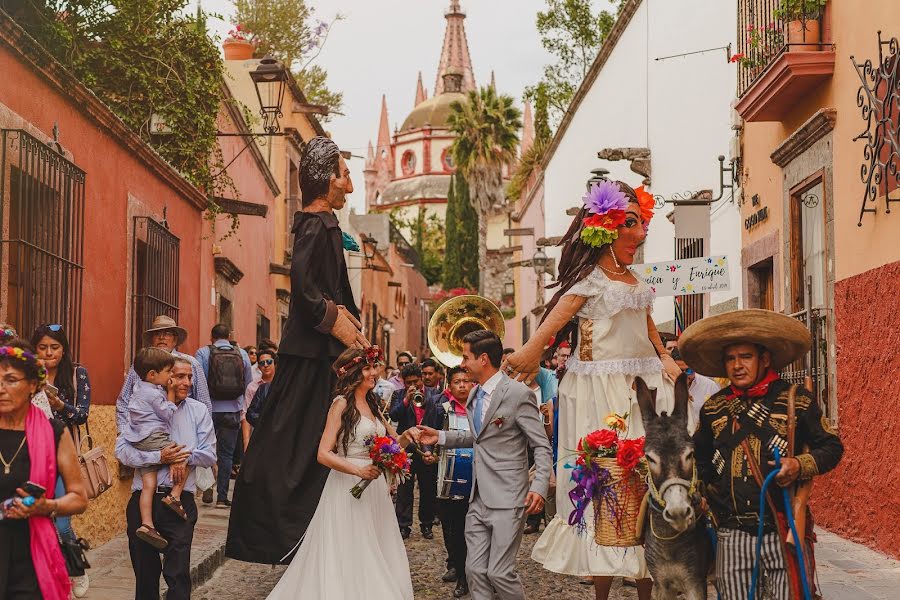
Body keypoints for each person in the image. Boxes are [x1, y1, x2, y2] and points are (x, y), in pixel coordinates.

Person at [504, 180, 686, 600]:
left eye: (641, 225)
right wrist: (532, 352)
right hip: (598, 392)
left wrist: (665, 357)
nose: (640, 235)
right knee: (606, 485)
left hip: (644, 389)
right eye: (630, 224)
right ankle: (602, 589)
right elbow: (554, 319)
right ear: (605, 229)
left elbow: (643, 325)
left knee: (646, 483)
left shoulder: (635, 279)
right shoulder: (590, 281)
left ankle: (646, 581)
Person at [226, 136, 367, 565]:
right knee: (293, 450)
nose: (351, 186)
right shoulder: (315, 225)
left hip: (318, 354)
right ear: (327, 179)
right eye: (345, 175)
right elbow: (306, 295)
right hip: (311, 356)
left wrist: (350, 325)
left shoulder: (323, 225)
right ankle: (289, 537)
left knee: (313, 447)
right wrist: (346, 328)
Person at [681, 309, 843, 600]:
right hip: (731, 532)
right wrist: (710, 492)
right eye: (730, 359)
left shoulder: (796, 400)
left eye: (745, 357)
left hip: (783, 527)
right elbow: (699, 458)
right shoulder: (713, 408)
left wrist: (798, 464)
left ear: (764, 358)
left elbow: (831, 447)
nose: (737, 365)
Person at [266, 347, 417, 600]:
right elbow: (323, 453)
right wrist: (358, 469)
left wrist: (408, 437)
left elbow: (392, 443)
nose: (374, 372)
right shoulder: (341, 404)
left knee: (377, 545)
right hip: (348, 486)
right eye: (367, 368)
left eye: (374, 367)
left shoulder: (374, 404)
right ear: (353, 373)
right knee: (352, 546)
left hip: (375, 490)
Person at [418, 330, 552, 600]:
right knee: (475, 570)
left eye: (466, 357)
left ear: (482, 359)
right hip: (477, 498)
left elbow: (541, 445)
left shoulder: (518, 394)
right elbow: (478, 438)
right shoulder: (475, 394)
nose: (462, 364)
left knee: (500, 573)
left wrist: (538, 487)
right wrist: (441, 436)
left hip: (508, 497)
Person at [116, 357, 216, 600]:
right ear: (166, 378)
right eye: (180, 376)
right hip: (143, 502)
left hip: (180, 505)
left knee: (178, 573)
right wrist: (159, 456)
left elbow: (210, 454)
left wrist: (184, 457)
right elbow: (122, 452)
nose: (187, 382)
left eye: (190, 377)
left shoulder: (198, 411)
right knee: (145, 575)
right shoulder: (140, 406)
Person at [0, 342, 88, 599]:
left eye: (10, 380)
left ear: (32, 385)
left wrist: (46, 506)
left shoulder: (54, 433)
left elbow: (79, 498)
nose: (1, 388)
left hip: (30, 554)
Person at [30, 324, 92, 596]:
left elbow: (82, 415)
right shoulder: (27, 374)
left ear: (63, 349)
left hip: (62, 458)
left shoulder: (78, 374)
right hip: (31, 456)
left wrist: (59, 405)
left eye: (54, 347)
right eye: (42, 347)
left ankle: (76, 568)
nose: (48, 352)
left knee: (63, 523)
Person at [121, 348, 187, 549]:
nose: (171, 376)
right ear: (152, 375)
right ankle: (175, 497)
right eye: (168, 372)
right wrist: (171, 392)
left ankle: (147, 525)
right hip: (153, 437)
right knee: (182, 455)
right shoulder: (153, 393)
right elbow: (167, 414)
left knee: (148, 483)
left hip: (139, 439)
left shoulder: (138, 389)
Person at [195, 324, 252, 508]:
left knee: (204, 448)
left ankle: (207, 484)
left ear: (211, 337)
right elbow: (249, 384)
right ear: (229, 335)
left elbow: (199, 382)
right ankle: (222, 497)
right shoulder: (242, 354)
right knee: (226, 454)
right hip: (232, 411)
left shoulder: (203, 353)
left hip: (208, 410)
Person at [388, 363, 444, 540]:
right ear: (403, 383)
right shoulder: (398, 394)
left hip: (428, 447)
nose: (413, 385)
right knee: (405, 489)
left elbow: (439, 416)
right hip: (408, 447)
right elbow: (394, 415)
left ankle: (426, 524)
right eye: (408, 382)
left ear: (421, 380)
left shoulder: (434, 394)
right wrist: (406, 400)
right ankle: (403, 525)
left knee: (428, 488)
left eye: (416, 382)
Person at [437, 366, 474, 599]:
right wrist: (429, 452)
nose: (462, 385)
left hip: (481, 480)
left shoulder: (481, 407)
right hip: (452, 483)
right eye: (457, 381)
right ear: (449, 385)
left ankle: (482, 575)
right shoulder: (441, 410)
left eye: (466, 381)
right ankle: (462, 575)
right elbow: (428, 437)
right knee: (457, 532)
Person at [670, 347, 723, 424]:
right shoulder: (666, 386)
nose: (685, 375)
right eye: (680, 371)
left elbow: (718, 417)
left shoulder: (710, 386)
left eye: (689, 370)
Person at [242, 347, 276, 450]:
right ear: (259, 367)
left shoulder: (283, 385)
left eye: (269, 362)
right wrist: (246, 442)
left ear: (275, 363)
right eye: (262, 363)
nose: (266, 365)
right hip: (259, 435)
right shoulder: (252, 387)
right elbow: (246, 415)